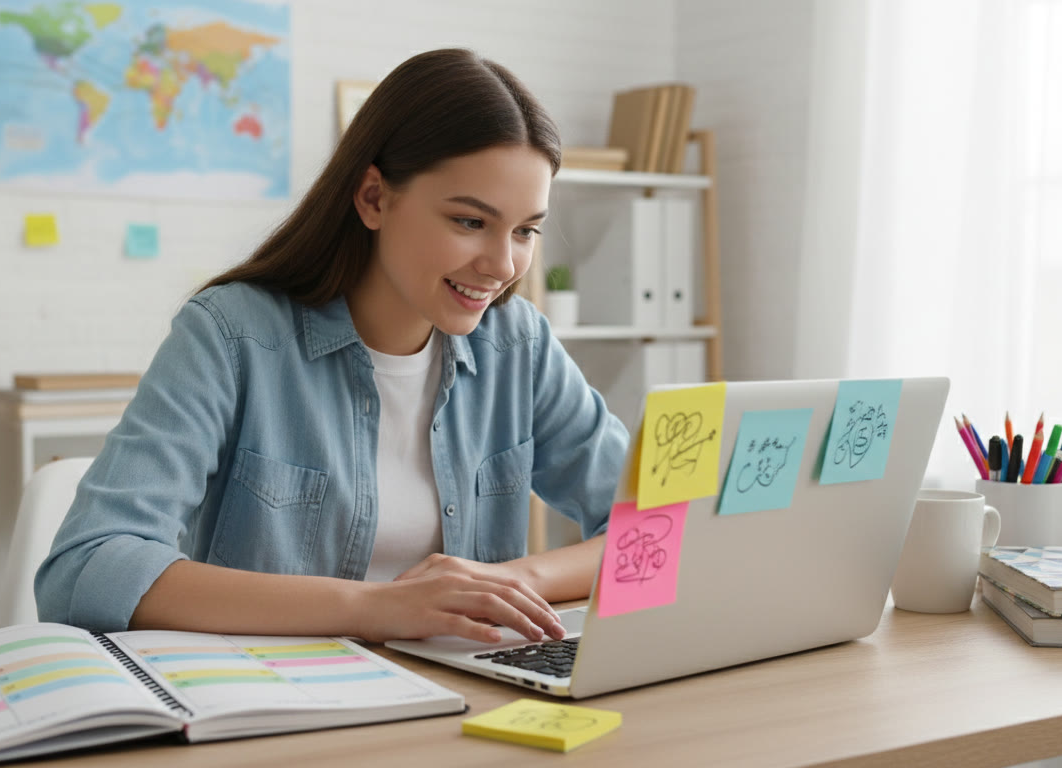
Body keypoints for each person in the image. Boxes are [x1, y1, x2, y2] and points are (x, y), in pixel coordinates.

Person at [34, 48, 628, 647]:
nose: (504, 265)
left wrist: (505, 581)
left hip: (464, 701)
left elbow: (662, 523)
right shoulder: (232, 335)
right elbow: (86, 569)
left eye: (526, 230)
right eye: (470, 222)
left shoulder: (518, 345)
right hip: (272, 704)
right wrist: (377, 608)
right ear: (373, 197)